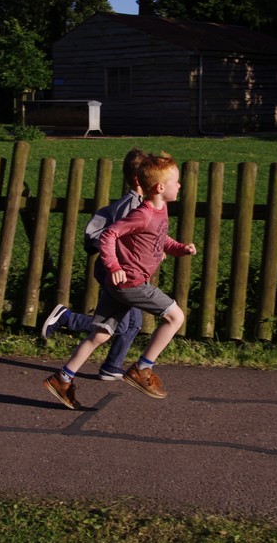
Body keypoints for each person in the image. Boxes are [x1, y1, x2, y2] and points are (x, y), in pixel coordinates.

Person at [43, 152, 196, 409]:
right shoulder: (143, 214)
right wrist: (114, 266)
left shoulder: (160, 210)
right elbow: (109, 235)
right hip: (131, 283)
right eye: (175, 181)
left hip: (121, 286)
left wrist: (180, 248)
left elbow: (160, 238)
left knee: (101, 334)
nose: (179, 185)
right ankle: (142, 369)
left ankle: (62, 379)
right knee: (175, 317)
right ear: (160, 188)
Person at [40, 147, 147, 381]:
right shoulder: (131, 206)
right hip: (118, 271)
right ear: (139, 179)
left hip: (123, 271)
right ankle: (67, 318)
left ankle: (112, 366)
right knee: (118, 325)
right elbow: (120, 237)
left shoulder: (135, 203)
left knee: (133, 323)